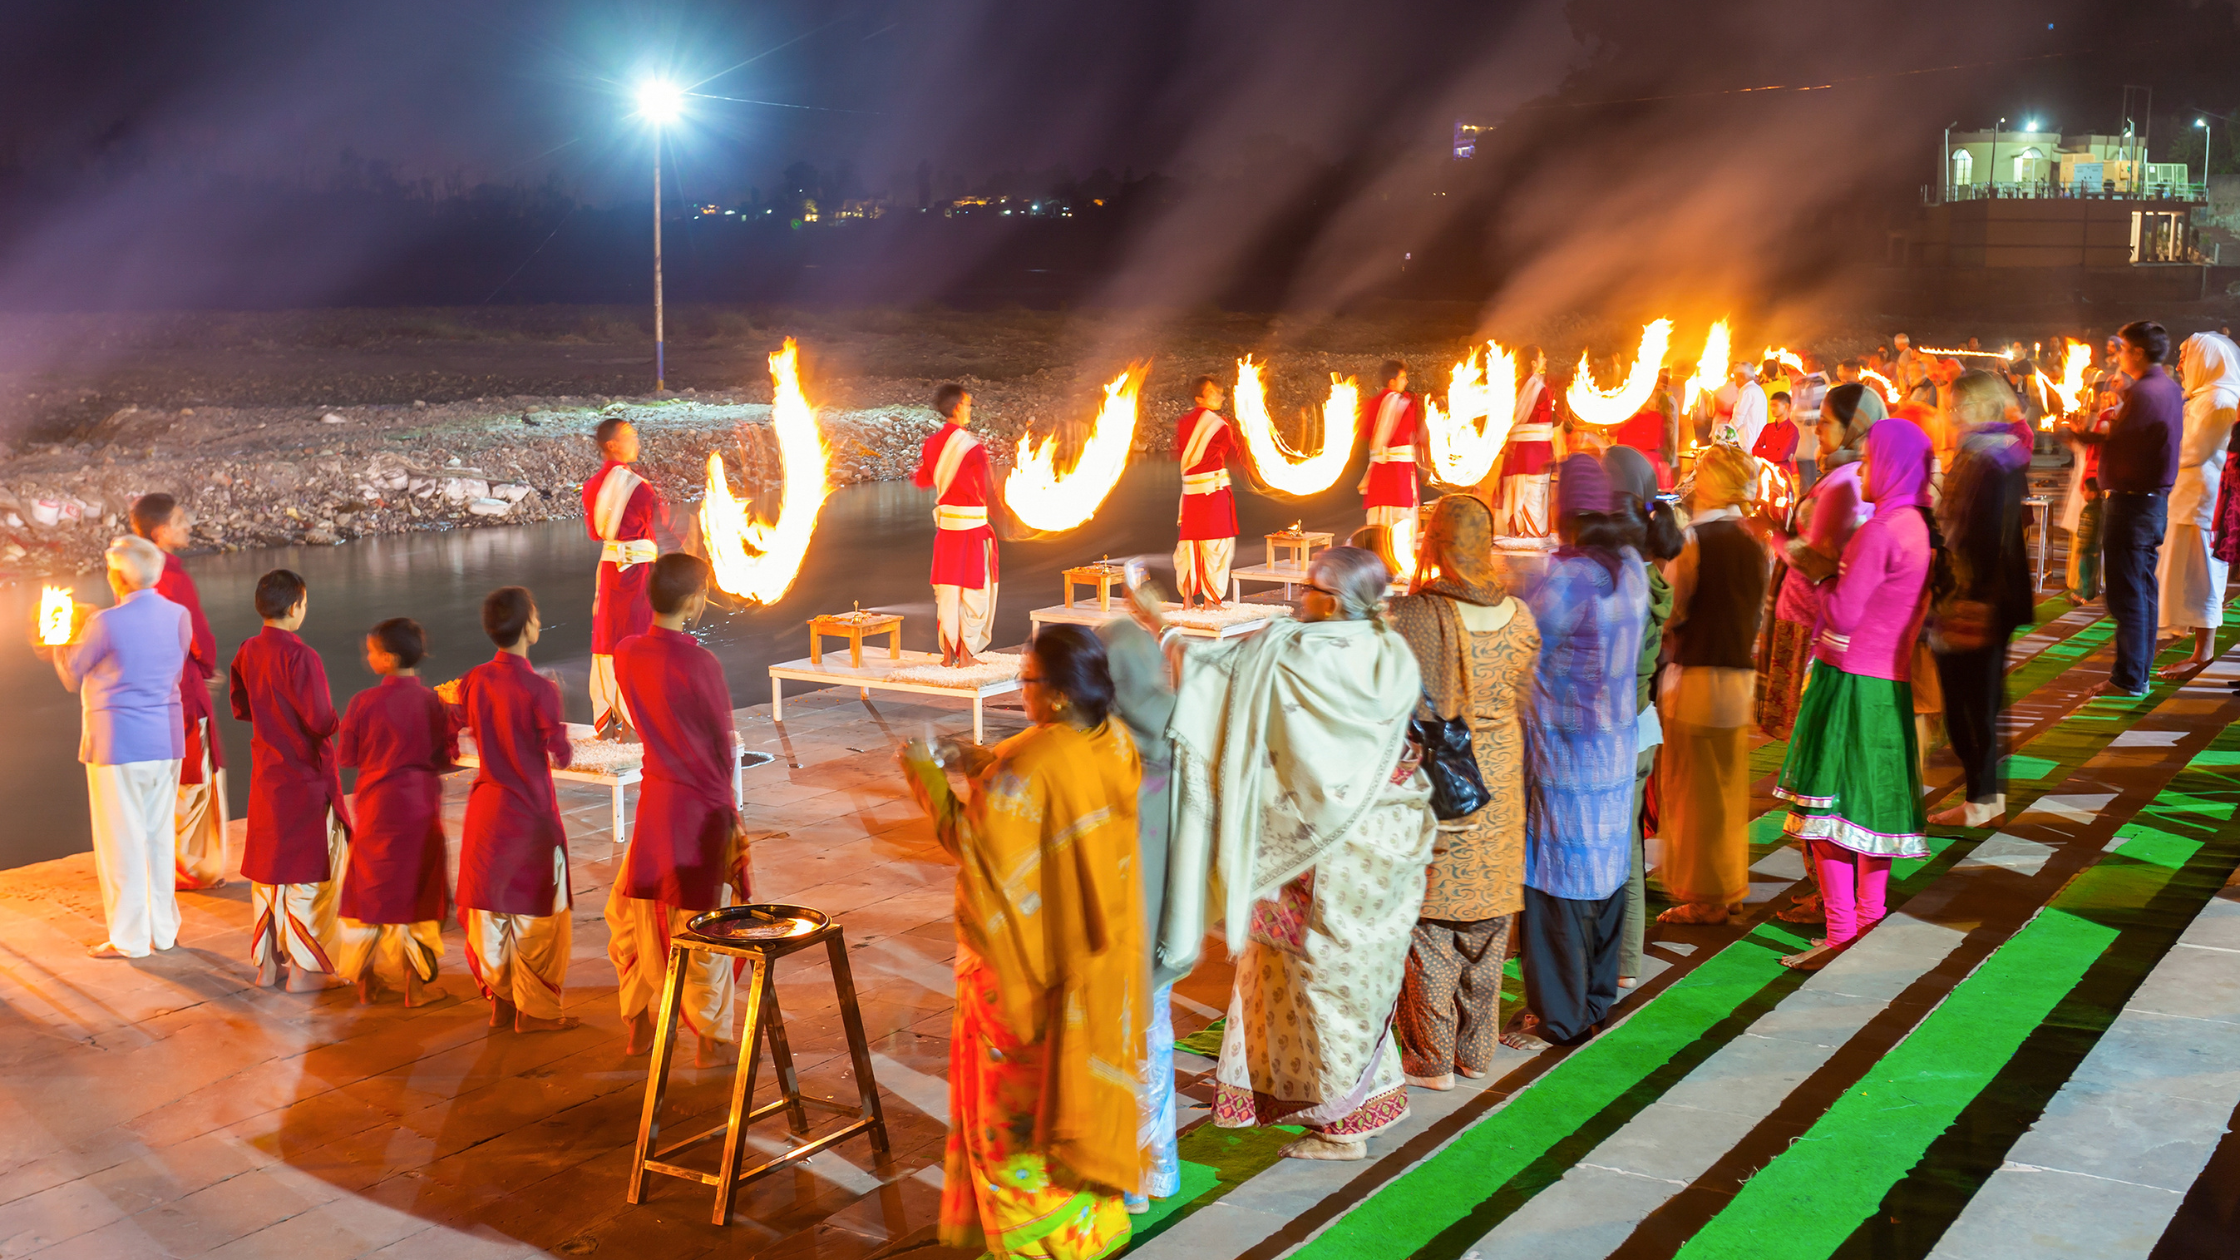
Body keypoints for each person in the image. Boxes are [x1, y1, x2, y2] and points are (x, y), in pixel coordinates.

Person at [1169, 547, 1433, 1160]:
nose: (1297, 599)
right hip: (1383, 843)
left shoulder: (1302, 656)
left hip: (1315, 857)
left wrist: (1169, 636)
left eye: (1309, 589)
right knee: (1357, 982)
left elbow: (1218, 675)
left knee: (1317, 983)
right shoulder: (1385, 645)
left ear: (1334, 601)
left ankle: (1341, 1127)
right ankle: (1365, 1097)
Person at [906, 624, 1147, 1257]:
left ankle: (1037, 1246)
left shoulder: (1028, 764)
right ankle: (1091, 1231)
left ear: (1061, 694)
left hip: (1019, 972)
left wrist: (928, 776)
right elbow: (1053, 796)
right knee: (1076, 1099)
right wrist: (984, 762)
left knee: (1012, 1121)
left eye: (1029, 680)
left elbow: (975, 846)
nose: (1021, 690)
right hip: (1094, 966)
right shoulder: (1114, 742)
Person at [1388, 495, 1541, 1089]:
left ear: (1437, 542)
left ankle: (1432, 1058)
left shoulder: (1421, 615)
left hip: (1443, 782)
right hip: (1500, 778)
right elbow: (1525, 691)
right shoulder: (1522, 616)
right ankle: (1477, 1053)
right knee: (1488, 922)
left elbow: (1408, 702)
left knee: (1431, 926)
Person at [1774, 420, 1936, 970]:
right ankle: (1867, 924)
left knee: (1830, 820)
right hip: (1889, 684)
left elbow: (1842, 612)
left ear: (1891, 466)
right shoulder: (1916, 526)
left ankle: (1841, 933)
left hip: (1848, 682)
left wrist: (1811, 570)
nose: (1861, 472)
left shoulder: (1879, 531)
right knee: (1872, 817)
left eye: (1868, 461)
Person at [1511, 456, 1646, 1046]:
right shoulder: (1631, 566)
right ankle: (1592, 1001)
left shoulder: (1571, 577)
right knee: (1605, 876)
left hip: (1567, 754)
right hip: (1615, 746)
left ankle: (1559, 1014)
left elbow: (1525, 641)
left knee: (1558, 882)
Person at [606, 554, 747, 1068]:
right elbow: (720, 744)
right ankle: (710, 1042)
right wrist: (730, 811)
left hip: (655, 801)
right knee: (701, 920)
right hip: (698, 806)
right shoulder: (700, 663)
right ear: (694, 600)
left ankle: (639, 1023)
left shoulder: (626, 652)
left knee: (635, 912)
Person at [46, 536, 189, 959]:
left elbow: (73, 672)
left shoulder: (106, 623)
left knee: (120, 840)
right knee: (160, 837)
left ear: (117, 576)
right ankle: (164, 930)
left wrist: (58, 634)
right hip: (165, 739)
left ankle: (129, 939)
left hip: (117, 743)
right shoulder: (178, 615)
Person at [454, 586, 579, 1033]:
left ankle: (501, 1001)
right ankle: (538, 1010)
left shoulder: (473, 680)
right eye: (537, 614)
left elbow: (454, 723)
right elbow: (560, 752)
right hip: (530, 813)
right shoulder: (539, 687)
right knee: (537, 916)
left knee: (491, 911)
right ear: (527, 626)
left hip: (487, 809)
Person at [1654, 445, 1766, 926]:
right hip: (1738, 675)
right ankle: (1727, 884)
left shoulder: (1695, 539)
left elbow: (1672, 609)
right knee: (1726, 788)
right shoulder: (1753, 538)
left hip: (1696, 674)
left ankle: (1705, 896)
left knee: (1695, 792)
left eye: (1701, 473)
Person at [1095, 612, 1184, 1214]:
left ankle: (1120, 1179)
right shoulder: (1177, 743)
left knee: (1113, 1054)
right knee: (1154, 1045)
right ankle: (1155, 1174)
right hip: (1161, 937)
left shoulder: (1105, 755)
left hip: (1114, 934)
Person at [230, 569, 348, 992]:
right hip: (305, 774)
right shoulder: (301, 656)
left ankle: (267, 966)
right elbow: (319, 720)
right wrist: (340, 722)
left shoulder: (248, 650)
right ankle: (306, 972)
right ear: (296, 606)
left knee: (269, 872)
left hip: (267, 772)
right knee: (307, 873)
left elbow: (241, 706)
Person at [1929, 372, 2034, 830]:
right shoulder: (1985, 455)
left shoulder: (1990, 460)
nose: (1955, 416)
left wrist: (1972, 599)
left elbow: (1989, 538)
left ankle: (1981, 799)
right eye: (1952, 408)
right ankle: (1983, 796)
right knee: (1975, 700)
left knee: (1971, 701)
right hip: (1976, 594)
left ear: (1987, 406)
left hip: (1977, 597)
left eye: (1962, 407)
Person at [333, 618, 455, 1006]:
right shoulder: (433, 702)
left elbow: (348, 756)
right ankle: (415, 988)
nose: (368, 657)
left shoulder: (362, 703)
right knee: (418, 890)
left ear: (386, 658)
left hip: (375, 807)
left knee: (367, 891)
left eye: (370, 651)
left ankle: (366, 981)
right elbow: (446, 756)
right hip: (419, 807)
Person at [2067, 321, 2183, 696]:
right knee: (2141, 591)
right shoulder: (2163, 386)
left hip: (2134, 504)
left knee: (2129, 594)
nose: (2116, 355)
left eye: (2121, 348)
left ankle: (2130, 678)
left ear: (2137, 352)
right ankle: (2135, 675)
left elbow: (2123, 443)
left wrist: (2078, 434)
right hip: (2148, 503)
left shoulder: (2148, 392)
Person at [1753, 384, 1873, 741]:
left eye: (1826, 422)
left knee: (1810, 734)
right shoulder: (1843, 474)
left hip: (1811, 621)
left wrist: (1770, 532)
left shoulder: (1848, 483)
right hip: (1803, 615)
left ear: (1853, 428)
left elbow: (1816, 561)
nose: (1817, 430)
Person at [1606, 447, 1680, 986]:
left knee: (1605, 849)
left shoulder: (1616, 584)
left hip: (1613, 728)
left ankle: (1612, 960)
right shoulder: (1649, 579)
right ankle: (1628, 959)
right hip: (1639, 723)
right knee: (1626, 845)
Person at [129, 494, 226, 892]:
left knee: (165, 775)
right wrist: (205, 669)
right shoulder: (171, 576)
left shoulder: (130, 574)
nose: (189, 525)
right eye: (181, 520)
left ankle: (167, 861)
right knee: (194, 775)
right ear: (160, 531)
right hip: (182, 688)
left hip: (148, 689)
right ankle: (194, 868)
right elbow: (195, 634)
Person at [2155, 333, 2240, 677]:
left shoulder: (2219, 399)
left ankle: (2203, 654)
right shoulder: (2204, 397)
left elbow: (2193, 451)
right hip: (2187, 499)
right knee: (2189, 574)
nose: (2178, 365)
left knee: (2204, 576)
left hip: (2204, 502)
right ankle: (2196, 650)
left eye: (2185, 357)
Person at [583, 418, 670, 735]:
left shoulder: (594, 485)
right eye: (629, 436)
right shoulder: (635, 486)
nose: (637, 441)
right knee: (636, 634)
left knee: (610, 633)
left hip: (609, 571)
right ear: (611, 445)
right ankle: (640, 717)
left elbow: (596, 533)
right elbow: (650, 527)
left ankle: (614, 714)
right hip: (635, 573)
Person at [913, 384, 1000, 667]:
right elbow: (989, 490)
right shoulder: (971, 448)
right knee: (974, 591)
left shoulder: (931, 444)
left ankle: (948, 654)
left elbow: (923, 479)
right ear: (958, 407)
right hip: (973, 530)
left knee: (948, 592)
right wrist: (1008, 517)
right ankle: (966, 655)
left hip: (947, 531)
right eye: (968, 405)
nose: (970, 411)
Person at [1174, 375, 1239, 607]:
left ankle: (1188, 600)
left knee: (1190, 543)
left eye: (1219, 391)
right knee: (1217, 543)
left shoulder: (1183, 422)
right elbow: (1236, 455)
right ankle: (1211, 601)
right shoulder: (1219, 425)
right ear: (1199, 396)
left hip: (1190, 492)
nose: (1219, 396)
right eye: (1213, 392)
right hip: (1213, 492)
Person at [2060, 374, 2121, 604]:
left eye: (2108, 395)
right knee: (2085, 538)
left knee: (2090, 541)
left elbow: (2097, 444)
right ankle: (2082, 586)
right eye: (2102, 394)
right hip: (2090, 480)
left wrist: (2079, 434)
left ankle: (2087, 590)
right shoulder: (2101, 418)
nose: (2103, 399)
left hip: (2097, 484)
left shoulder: (2110, 419)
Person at [1360, 360, 1426, 562]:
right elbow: (1416, 434)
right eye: (1403, 377)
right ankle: (1400, 562)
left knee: (1379, 516)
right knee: (1401, 516)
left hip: (1380, 470)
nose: (1406, 381)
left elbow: (1365, 433)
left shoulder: (1371, 404)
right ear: (1392, 381)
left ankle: (1377, 560)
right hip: (1400, 471)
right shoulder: (1404, 405)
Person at [1497, 347, 1557, 536]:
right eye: (1541, 357)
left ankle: (1516, 534)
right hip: (1536, 453)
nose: (1545, 360)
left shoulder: (1511, 385)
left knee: (1517, 495)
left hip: (1515, 453)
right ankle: (1532, 540)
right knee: (1533, 497)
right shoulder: (1539, 388)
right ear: (1533, 362)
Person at [1725, 362, 1768, 452]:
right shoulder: (1757, 389)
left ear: (1741, 376)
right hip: (1758, 441)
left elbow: (1738, 418)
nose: (1734, 379)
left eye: (1735, 376)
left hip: (1747, 442)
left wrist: (1725, 436)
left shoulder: (1747, 391)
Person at [1752, 391, 1799, 467]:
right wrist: (1775, 451)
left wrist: (1763, 454)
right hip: (1766, 471)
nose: (1772, 409)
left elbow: (1781, 456)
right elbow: (1754, 450)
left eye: (1775, 405)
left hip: (1783, 473)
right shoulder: (1768, 427)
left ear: (1786, 406)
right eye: (1771, 406)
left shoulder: (1792, 430)